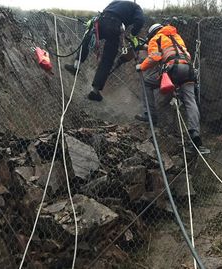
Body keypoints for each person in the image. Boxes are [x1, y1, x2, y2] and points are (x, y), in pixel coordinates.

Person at [135, 23, 210, 154]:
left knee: (147, 83)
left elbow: (155, 57)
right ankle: (195, 135)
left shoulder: (155, 38)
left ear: (153, 33)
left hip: (172, 69)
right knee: (190, 101)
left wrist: (141, 66)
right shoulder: (175, 36)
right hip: (188, 69)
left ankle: (150, 115)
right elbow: (173, 51)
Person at [65, 0, 145, 102]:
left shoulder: (116, 2)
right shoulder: (136, 7)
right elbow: (140, 20)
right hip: (115, 26)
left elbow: (104, 12)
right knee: (107, 59)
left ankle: (76, 66)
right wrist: (133, 35)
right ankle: (94, 91)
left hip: (101, 21)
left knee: (88, 39)